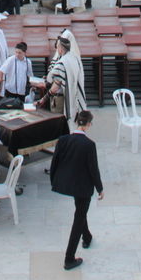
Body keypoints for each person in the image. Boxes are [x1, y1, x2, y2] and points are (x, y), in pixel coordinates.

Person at [49, 109, 103, 271]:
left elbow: (55, 162)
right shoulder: (89, 145)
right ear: (88, 125)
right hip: (83, 186)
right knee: (79, 217)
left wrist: (54, 180)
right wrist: (100, 188)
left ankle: (86, 236)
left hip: (69, 183)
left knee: (80, 210)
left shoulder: (63, 140)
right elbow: (93, 169)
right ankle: (69, 258)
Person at [38, 30, 87, 121]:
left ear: (60, 48)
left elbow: (55, 86)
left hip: (61, 99)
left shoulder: (61, 63)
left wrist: (43, 99)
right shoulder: (75, 59)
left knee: (61, 125)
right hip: (74, 99)